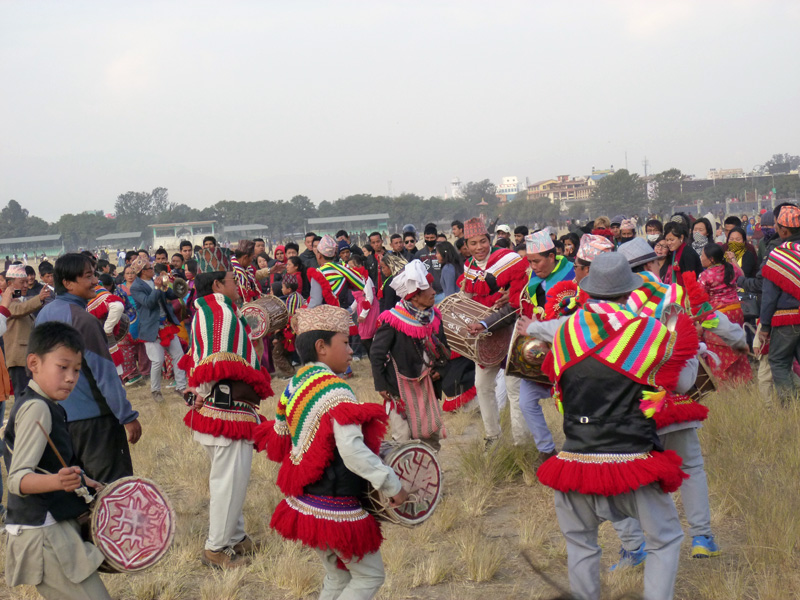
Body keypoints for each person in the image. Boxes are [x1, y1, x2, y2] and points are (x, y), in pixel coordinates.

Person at [538, 252, 699, 600]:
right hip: (633, 458)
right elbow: (682, 383)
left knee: (580, 545)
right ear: (630, 292)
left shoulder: (566, 332)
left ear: (590, 291)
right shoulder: (648, 332)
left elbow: (558, 386)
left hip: (577, 457)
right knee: (666, 539)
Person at [255, 305, 407, 599]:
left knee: (337, 576)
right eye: (346, 342)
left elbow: (281, 438)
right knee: (369, 576)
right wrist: (392, 484)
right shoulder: (335, 390)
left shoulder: (296, 385)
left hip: (306, 500)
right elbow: (351, 450)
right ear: (321, 347)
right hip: (334, 505)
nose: (351, 350)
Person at [3, 322, 111, 600]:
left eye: (76, 369)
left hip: (51, 527)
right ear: (34, 363)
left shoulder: (46, 405)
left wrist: (81, 479)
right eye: (62, 367)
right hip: (43, 532)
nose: (70, 377)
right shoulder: (38, 408)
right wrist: (57, 481)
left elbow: (48, 463)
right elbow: (17, 480)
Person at [180, 270, 274, 569]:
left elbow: (200, 357)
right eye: (233, 280)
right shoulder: (221, 312)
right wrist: (201, 390)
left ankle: (235, 537)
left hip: (215, 410)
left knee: (229, 482)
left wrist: (196, 391)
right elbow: (215, 360)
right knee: (228, 484)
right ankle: (216, 549)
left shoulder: (204, 313)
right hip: (224, 411)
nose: (238, 285)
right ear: (218, 285)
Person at [35, 254, 141, 483]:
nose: (96, 281)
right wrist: (127, 416)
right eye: (88, 276)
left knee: (79, 492)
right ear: (68, 283)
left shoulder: (43, 314)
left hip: (58, 421)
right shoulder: (83, 320)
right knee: (111, 491)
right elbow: (105, 374)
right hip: (95, 422)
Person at [458, 217, 528, 447]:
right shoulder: (468, 267)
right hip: (485, 334)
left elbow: (518, 298)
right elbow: (467, 296)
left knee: (514, 388)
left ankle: (521, 443)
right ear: (466, 245)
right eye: (473, 243)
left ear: (490, 240)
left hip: (511, 329)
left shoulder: (508, 259)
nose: (479, 247)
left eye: (482, 241)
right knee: (482, 385)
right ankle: (493, 437)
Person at [371, 261, 449, 450]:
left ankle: (429, 473)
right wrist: (381, 385)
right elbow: (377, 353)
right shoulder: (393, 320)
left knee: (430, 434)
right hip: (399, 387)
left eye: (431, 287)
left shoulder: (433, 316)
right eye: (427, 289)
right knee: (403, 438)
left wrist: (440, 369)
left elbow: (444, 348)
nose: (433, 292)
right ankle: (403, 476)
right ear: (414, 297)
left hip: (426, 385)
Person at [129, 255, 188, 403]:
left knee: (178, 354)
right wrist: (157, 286)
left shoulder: (154, 280)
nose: (153, 270)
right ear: (143, 271)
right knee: (157, 361)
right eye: (150, 268)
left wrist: (178, 285)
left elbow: (170, 294)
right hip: (151, 328)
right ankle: (155, 390)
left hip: (165, 324)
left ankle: (181, 386)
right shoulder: (136, 287)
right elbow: (148, 303)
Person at [759, 205, 800, 404]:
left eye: (776, 225)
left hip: (787, 319)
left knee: (779, 361)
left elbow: (769, 295)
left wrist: (764, 326)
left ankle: (791, 408)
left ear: (784, 230)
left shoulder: (779, 255)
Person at [6, 265, 51, 396]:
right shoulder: (6, 301)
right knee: (22, 397)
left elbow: (25, 304)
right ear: (10, 284)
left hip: (26, 357)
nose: (26, 285)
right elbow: (20, 309)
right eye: (22, 282)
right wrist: (40, 298)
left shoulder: (19, 299)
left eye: (27, 281)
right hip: (18, 358)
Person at [700, 243, 744, 324]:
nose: (701, 258)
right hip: (737, 312)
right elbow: (742, 277)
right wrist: (733, 260)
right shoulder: (731, 267)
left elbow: (700, 296)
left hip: (719, 314)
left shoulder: (705, 275)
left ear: (711, 259)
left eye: (702, 256)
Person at [662, 221, 702, 286]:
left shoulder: (688, 253)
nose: (669, 243)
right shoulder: (674, 252)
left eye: (672, 240)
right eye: (667, 240)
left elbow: (691, 280)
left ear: (681, 238)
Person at [416, 223, 443, 297]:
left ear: (436, 237)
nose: (429, 240)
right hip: (426, 292)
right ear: (424, 237)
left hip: (441, 292)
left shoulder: (442, 252)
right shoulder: (419, 254)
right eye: (427, 238)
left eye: (432, 238)